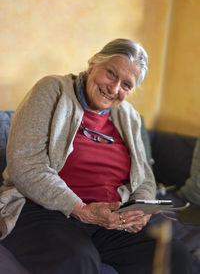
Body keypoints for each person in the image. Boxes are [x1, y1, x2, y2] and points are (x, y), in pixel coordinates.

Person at [0, 39, 192, 274]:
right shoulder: (53, 90)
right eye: (111, 73)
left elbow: (144, 177)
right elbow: (25, 163)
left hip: (110, 218)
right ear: (93, 65)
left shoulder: (129, 116)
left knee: (177, 259)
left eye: (126, 85)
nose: (114, 89)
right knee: (78, 259)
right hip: (45, 209)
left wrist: (139, 209)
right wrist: (80, 209)